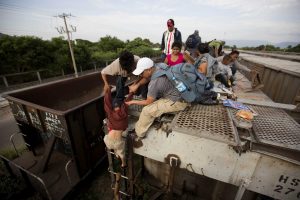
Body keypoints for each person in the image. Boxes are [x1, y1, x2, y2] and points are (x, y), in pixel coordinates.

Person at [125, 58, 188, 138]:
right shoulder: (160, 66)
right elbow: (146, 78)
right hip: (183, 93)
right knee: (155, 100)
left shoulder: (155, 82)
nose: (140, 76)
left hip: (178, 102)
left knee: (147, 110)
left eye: (141, 73)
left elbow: (148, 102)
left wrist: (132, 102)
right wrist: (137, 85)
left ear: (149, 70)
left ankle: (139, 133)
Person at [103, 77, 133, 167]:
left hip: (116, 139)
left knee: (119, 96)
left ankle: (120, 80)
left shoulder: (117, 112)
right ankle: (120, 80)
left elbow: (107, 103)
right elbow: (108, 104)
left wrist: (107, 92)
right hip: (109, 141)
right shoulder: (120, 112)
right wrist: (131, 93)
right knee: (119, 96)